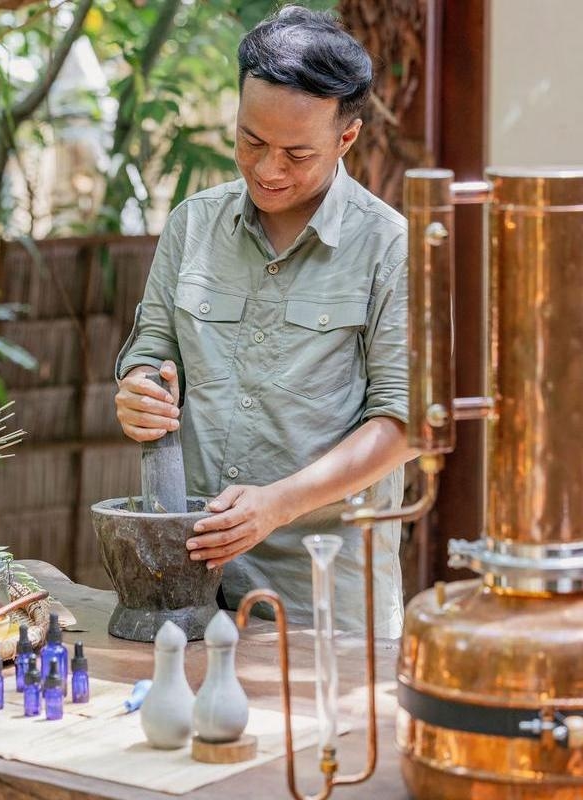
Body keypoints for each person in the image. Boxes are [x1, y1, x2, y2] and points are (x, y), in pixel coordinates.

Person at [113, 5, 412, 637]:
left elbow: (401, 423)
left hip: (322, 596)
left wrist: (277, 505)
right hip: (186, 582)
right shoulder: (193, 224)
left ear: (346, 138)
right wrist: (139, 389)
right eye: (251, 142)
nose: (268, 170)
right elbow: (152, 348)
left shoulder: (390, 247)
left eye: (297, 153)